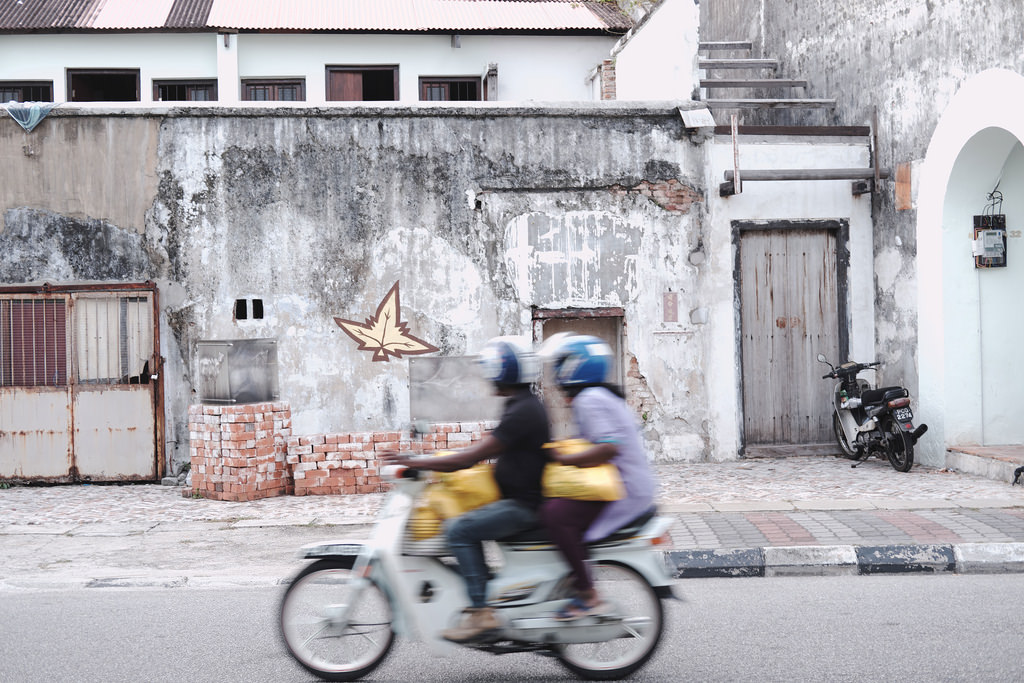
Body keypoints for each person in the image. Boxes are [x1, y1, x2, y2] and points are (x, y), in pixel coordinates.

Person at [381, 336, 550, 643]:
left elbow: (472, 457)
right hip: (515, 499)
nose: (488, 378)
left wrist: (416, 462)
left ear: (504, 372)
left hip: (523, 507)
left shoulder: (523, 411)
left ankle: (481, 612)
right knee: (461, 518)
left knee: (459, 530)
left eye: (492, 370)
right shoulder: (520, 405)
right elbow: (481, 448)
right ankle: (480, 589)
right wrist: (425, 459)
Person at [539, 333, 655, 620]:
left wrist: (564, 458)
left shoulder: (589, 399)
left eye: (562, 363)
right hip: (623, 483)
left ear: (577, 366)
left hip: (622, 489)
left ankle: (588, 595)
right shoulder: (600, 395)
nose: (557, 371)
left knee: (555, 515)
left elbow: (608, 447)